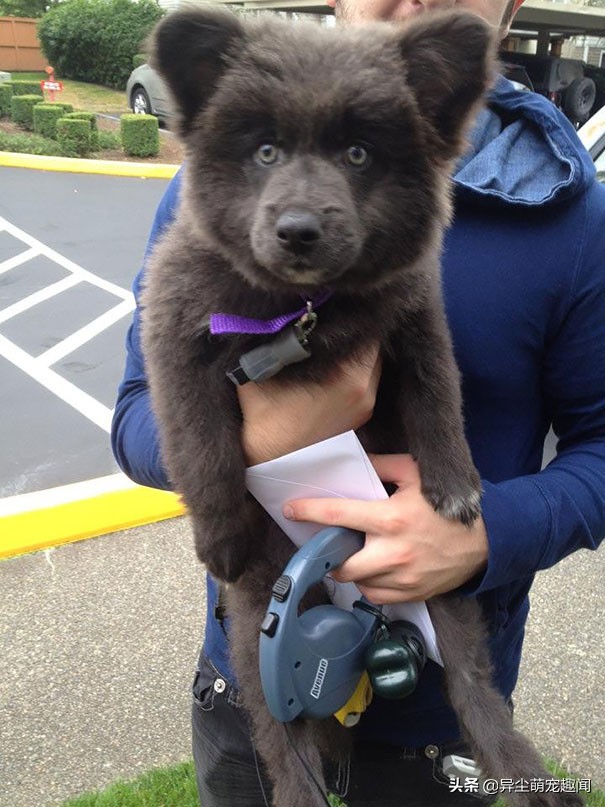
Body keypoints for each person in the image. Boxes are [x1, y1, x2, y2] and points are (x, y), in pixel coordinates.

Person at [110, 0, 605, 802]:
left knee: (467, 683)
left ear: (508, 8)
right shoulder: (199, 200)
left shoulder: (575, 222)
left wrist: (485, 532)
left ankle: (504, 751)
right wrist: (244, 456)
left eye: (354, 152)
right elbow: (135, 411)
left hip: (432, 727)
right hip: (260, 663)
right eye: (266, 150)